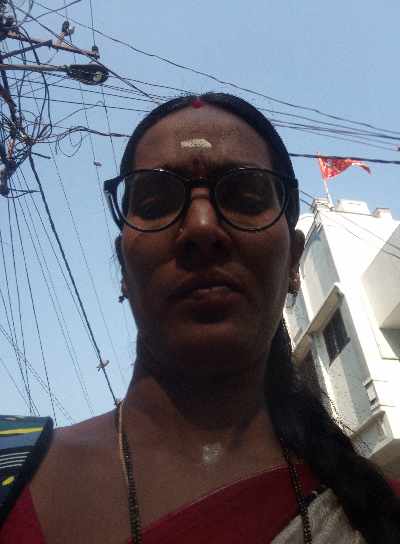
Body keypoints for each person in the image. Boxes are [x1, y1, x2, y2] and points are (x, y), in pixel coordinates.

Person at [1, 93, 399, 543]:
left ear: (293, 260)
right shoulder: (11, 470)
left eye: (246, 198)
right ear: (123, 268)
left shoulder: (378, 514)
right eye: (156, 205)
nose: (203, 227)